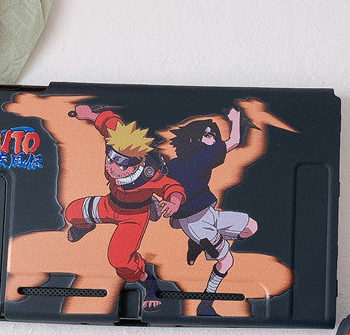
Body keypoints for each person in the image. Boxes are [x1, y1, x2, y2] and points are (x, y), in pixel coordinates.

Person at [64, 104, 185, 310]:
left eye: (121, 164)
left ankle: (147, 279)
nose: (113, 167)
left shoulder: (148, 174)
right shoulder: (118, 139)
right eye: (111, 159)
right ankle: (86, 226)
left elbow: (171, 187)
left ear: (137, 163)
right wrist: (90, 114)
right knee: (72, 212)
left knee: (119, 259)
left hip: (134, 217)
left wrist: (174, 201)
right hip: (110, 204)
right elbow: (110, 122)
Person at [166, 106, 257, 316]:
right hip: (195, 222)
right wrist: (235, 118)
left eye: (214, 134)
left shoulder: (174, 163)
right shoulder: (204, 152)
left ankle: (199, 243)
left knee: (250, 227)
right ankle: (205, 304)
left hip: (208, 213)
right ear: (195, 138)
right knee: (227, 261)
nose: (213, 138)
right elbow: (234, 140)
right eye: (208, 134)